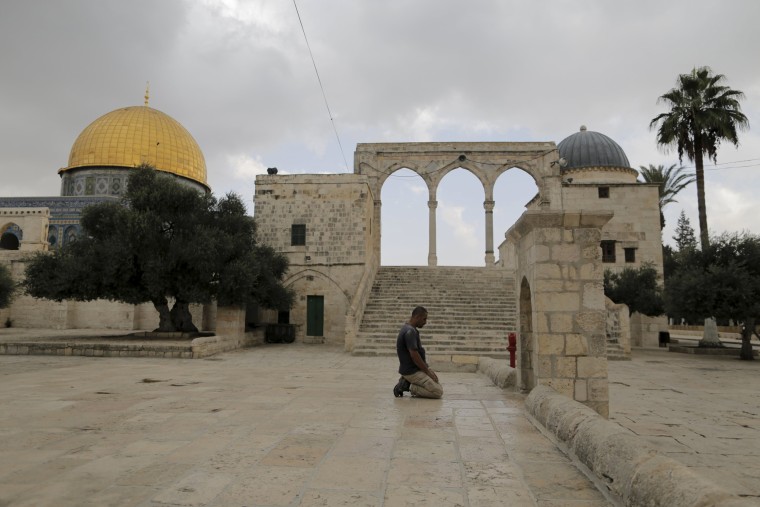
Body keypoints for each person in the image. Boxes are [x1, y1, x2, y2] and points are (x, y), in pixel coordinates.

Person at [393, 306, 443, 399]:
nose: (425, 322)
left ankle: (406, 381)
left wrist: (427, 368)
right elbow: (414, 355)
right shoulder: (410, 331)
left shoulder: (409, 329)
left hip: (413, 369)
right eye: (424, 319)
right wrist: (427, 372)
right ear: (417, 317)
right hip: (411, 372)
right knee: (437, 392)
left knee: (436, 383)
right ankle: (408, 386)